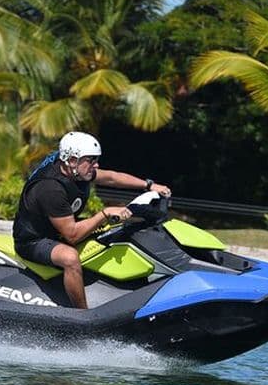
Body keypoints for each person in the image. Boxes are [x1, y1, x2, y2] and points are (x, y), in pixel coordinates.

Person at [13, 132, 172, 309]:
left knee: (116, 232)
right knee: (70, 258)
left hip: (57, 228)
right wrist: (103, 214)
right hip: (34, 240)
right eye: (91, 160)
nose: (96, 165)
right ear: (72, 160)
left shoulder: (76, 171)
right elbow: (71, 235)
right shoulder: (50, 189)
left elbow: (112, 177)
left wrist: (149, 185)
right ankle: (82, 315)